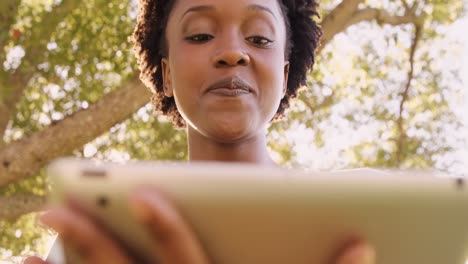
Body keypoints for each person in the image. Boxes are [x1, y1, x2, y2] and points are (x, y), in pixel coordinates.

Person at [26, 0, 376, 263]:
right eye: (200, 35)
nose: (232, 53)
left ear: (285, 76)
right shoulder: (104, 233)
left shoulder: (368, 216)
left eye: (259, 38)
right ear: (166, 74)